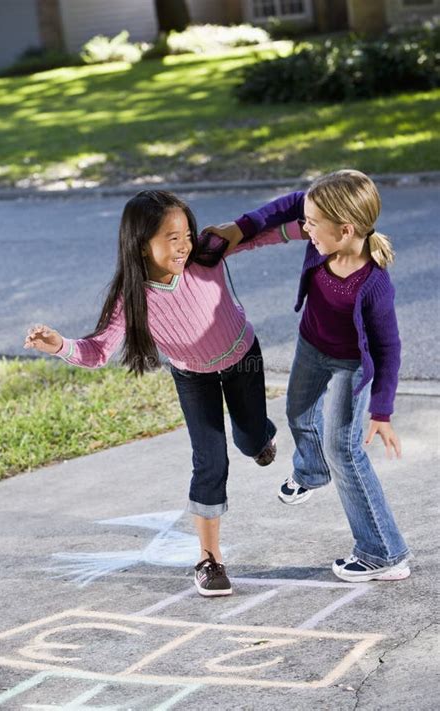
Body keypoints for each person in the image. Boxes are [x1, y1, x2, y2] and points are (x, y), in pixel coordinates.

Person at [24, 190, 303, 597]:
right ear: (142, 244)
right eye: (173, 238)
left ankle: (261, 435)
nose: (185, 244)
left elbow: (261, 235)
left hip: (242, 357)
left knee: (250, 440)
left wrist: (313, 229)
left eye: (186, 233)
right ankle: (209, 559)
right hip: (193, 377)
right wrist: (59, 345)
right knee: (209, 462)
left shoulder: (207, 254)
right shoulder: (132, 297)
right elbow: (99, 350)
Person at [205, 170, 410, 583]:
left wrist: (382, 410)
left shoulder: (373, 285)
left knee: (344, 450)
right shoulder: (324, 236)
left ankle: (382, 553)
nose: (305, 228)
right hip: (312, 347)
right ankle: (311, 472)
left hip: (351, 366)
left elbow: (388, 350)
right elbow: (287, 205)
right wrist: (241, 228)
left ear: (346, 229)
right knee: (298, 413)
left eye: (313, 224)